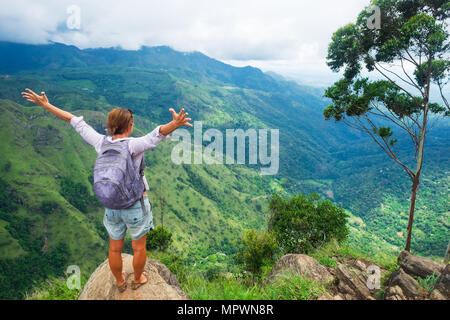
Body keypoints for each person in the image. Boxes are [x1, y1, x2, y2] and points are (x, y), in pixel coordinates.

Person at [21, 88, 192, 292]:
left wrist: (46, 105)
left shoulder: (100, 142)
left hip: (111, 205)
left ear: (110, 127)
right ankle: (138, 279)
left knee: (115, 248)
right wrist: (176, 123)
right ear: (129, 126)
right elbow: (157, 134)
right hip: (135, 205)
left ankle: (119, 281)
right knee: (138, 247)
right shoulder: (132, 145)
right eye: (132, 123)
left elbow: (74, 121)